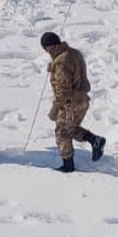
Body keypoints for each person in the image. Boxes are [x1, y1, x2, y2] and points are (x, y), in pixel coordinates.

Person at [40, 32, 105, 172]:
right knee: (70, 128)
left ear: (51, 47)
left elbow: (63, 90)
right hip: (82, 99)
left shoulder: (61, 62)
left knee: (62, 132)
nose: (47, 52)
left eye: (46, 49)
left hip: (70, 103)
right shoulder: (75, 53)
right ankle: (95, 140)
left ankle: (68, 165)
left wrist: (57, 108)